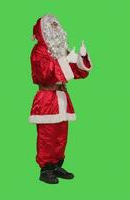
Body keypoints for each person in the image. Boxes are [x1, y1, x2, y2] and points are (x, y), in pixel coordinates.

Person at [29, 14, 92, 184]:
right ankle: (46, 169)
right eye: (52, 26)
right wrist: (65, 60)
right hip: (47, 98)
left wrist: (81, 58)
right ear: (44, 30)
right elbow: (44, 74)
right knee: (47, 136)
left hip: (62, 97)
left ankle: (56, 165)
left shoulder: (59, 50)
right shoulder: (39, 51)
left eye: (57, 25)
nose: (56, 29)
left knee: (61, 135)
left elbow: (78, 73)